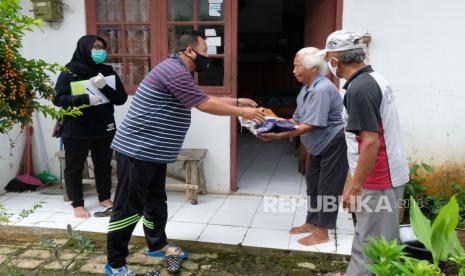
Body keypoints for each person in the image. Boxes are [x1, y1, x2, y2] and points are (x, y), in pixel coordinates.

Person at [105, 30, 265, 276]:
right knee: (128, 207)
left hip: (154, 152)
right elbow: (203, 104)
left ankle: (157, 244)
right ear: (189, 51)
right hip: (138, 150)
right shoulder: (173, 70)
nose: (207, 57)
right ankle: (115, 264)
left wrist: (236, 102)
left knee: (155, 201)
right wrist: (241, 113)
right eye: (204, 51)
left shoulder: (179, 71)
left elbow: (200, 96)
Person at [320, 30, 409, 275]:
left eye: (330, 58)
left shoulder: (359, 89)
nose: (330, 64)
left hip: (379, 178)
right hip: (385, 174)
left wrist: (355, 186)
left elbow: (370, 143)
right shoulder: (375, 78)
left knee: (373, 248)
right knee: (369, 239)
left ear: (336, 61)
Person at [258, 47, 348, 246]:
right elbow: (296, 119)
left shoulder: (322, 89)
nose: (293, 70)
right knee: (313, 185)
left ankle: (322, 231)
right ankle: (311, 222)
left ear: (313, 68)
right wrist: (271, 121)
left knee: (327, 188)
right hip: (316, 145)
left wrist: (278, 135)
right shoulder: (307, 88)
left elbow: (311, 125)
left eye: (297, 66)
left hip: (333, 143)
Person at [53, 35, 128, 218]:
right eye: (95, 47)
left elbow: (121, 99)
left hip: (104, 126)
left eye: (102, 47)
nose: (99, 51)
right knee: (74, 166)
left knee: (103, 164)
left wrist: (105, 87)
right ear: (84, 48)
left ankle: (104, 197)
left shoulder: (108, 71)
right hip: (77, 127)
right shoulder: (70, 71)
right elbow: (58, 98)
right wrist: (84, 99)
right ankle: (77, 203)